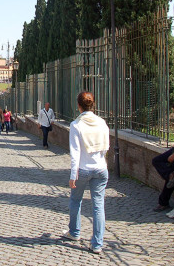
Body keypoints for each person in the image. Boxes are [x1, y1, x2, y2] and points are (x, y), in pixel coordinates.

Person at [63, 92, 109, 254]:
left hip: (82, 169)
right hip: (101, 168)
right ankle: (97, 244)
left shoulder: (76, 125)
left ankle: (74, 232)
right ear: (93, 104)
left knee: (76, 201)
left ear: (79, 106)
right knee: (98, 206)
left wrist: (72, 176)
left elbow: (75, 153)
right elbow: (106, 147)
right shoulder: (102, 123)